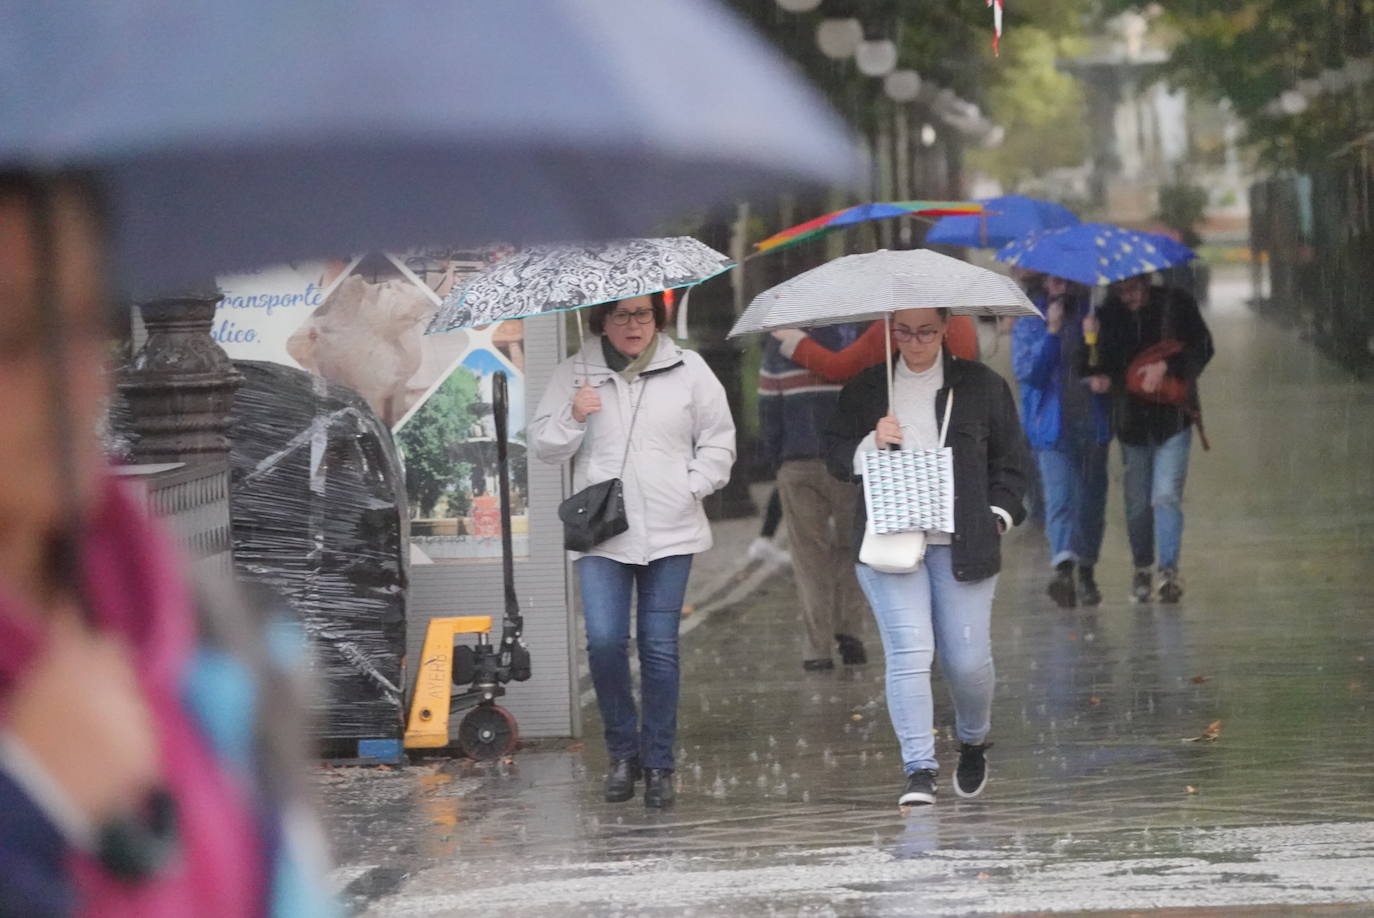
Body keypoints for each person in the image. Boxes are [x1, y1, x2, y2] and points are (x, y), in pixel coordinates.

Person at [0, 174, 334, 917]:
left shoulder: (211, 642)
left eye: (85, 322)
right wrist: (27, 813)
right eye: (14, 335)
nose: (72, 380)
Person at [530, 294, 735, 808]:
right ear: (602, 320)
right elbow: (544, 446)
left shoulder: (690, 368)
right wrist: (573, 416)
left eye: (642, 314)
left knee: (659, 647)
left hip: (672, 529)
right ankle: (624, 753)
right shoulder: (575, 372)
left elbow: (719, 440)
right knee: (603, 641)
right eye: (621, 315)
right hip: (601, 531)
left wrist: (694, 484)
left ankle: (660, 763)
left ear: (656, 319)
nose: (632, 325)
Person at [823, 308, 1028, 807]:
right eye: (905, 331)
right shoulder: (868, 388)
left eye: (927, 331)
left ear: (945, 330)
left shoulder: (981, 386)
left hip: (965, 541)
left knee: (966, 661)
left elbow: (1013, 462)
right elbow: (833, 454)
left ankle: (974, 738)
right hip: (890, 542)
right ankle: (919, 768)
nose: (915, 342)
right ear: (891, 330)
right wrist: (871, 442)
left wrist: (997, 515)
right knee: (910, 652)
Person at [1081, 274, 1213, 603]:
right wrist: (1090, 342)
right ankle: (1142, 567)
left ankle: (1168, 571)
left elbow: (1203, 347)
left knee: (1165, 495)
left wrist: (1168, 365)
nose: (1129, 297)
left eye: (1134, 289)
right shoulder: (1107, 314)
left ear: (1145, 280)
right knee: (1138, 505)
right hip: (1131, 424)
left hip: (1174, 418)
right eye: (1121, 291)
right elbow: (1097, 367)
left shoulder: (1175, 304)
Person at [757, 322, 870, 672]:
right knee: (854, 550)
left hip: (798, 461)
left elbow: (768, 410)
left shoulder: (778, 344)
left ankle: (816, 648)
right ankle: (850, 634)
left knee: (809, 557)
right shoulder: (857, 335)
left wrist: (779, 459)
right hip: (850, 462)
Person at [1012, 275, 1111, 607]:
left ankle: (1086, 569)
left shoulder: (1093, 313)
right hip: (1051, 426)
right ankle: (1063, 568)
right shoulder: (1030, 318)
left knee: (1090, 505)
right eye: (1051, 279)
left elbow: (1109, 365)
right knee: (1060, 499)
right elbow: (1030, 372)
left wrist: (1095, 347)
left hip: (1091, 422)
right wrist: (1052, 333)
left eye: (1064, 279)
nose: (1058, 284)